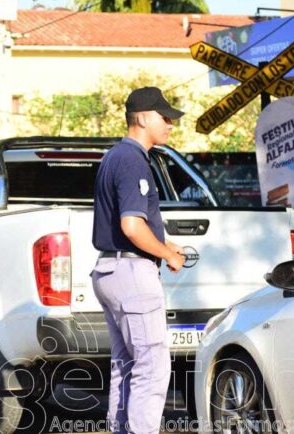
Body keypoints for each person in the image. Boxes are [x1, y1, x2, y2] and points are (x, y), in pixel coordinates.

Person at [91, 86, 186, 434]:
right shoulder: (133, 160)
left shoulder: (114, 156)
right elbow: (131, 226)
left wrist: (166, 244)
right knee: (152, 367)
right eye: (165, 118)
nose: (170, 125)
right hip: (131, 272)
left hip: (110, 269)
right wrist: (167, 256)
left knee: (127, 366)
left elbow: (131, 225)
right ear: (143, 118)